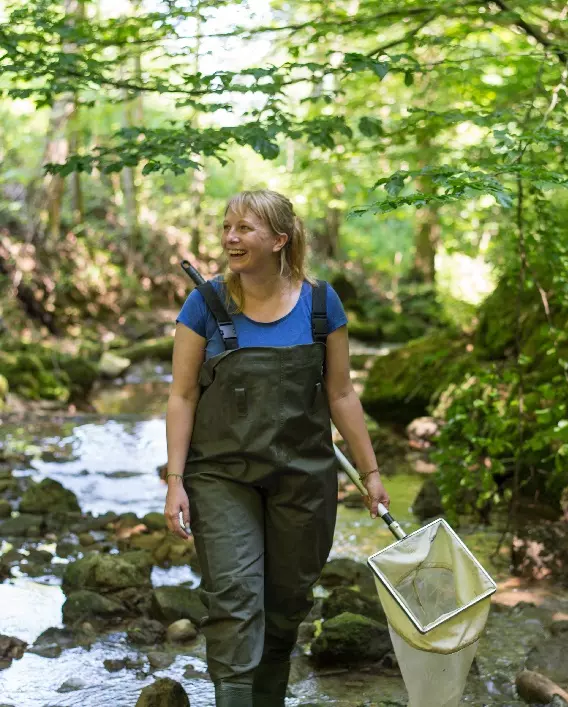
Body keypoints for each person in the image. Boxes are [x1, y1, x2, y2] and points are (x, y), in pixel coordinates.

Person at [164, 189, 391, 707]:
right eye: (227, 227)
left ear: (279, 239)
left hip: (303, 477)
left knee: (286, 604)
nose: (229, 238)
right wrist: (176, 481)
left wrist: (371, 471)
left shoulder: (320, 303)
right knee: (235, 600)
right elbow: (180, 396)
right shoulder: (204, 303)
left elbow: (340, 393)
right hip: (222, 477)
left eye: (244, 228)